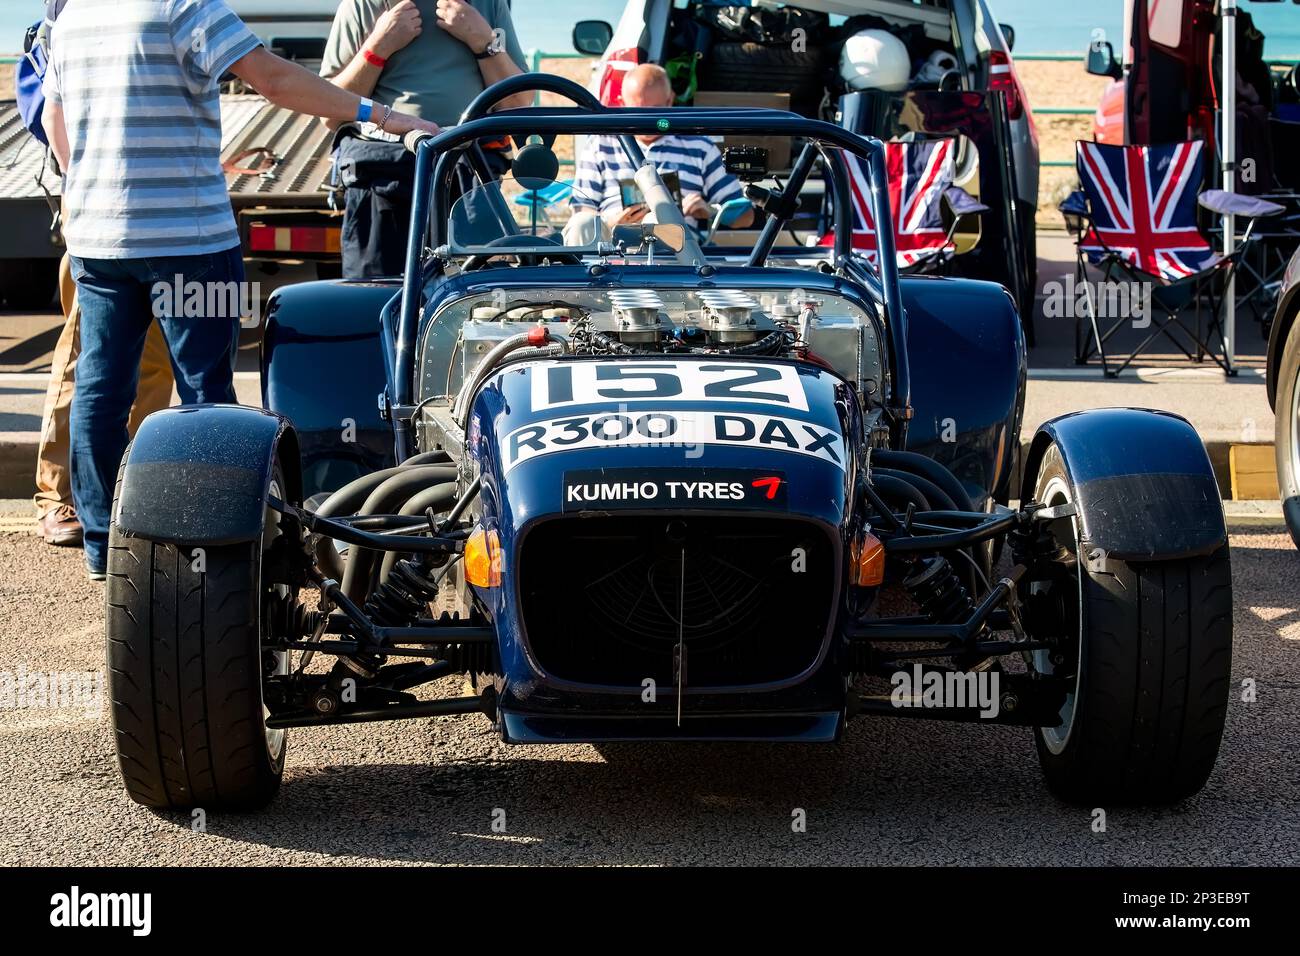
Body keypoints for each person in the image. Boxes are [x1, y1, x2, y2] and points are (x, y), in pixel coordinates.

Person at [42, 0, 438, 581]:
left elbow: (56, 119)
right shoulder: (182, 6)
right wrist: (382, 116)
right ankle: (213, 541)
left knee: (101, 388)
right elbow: (274, 80)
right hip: (189, 243)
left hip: (99, 241)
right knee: (206, 390)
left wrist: (98, 189)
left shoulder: (73, 14)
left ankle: (104, 546)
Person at [321, 1, 530, 278]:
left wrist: (484, 41)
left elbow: (518, 103)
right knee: (374, 302)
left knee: (478, 304)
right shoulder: (362, 5)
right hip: (382, 178)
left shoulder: (487, 5)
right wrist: (378, 48)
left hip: (469, 174)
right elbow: (330, 112)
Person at [34, 253, 173, 547]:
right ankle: (60, 493)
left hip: (169, 226)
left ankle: (130, 489)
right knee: (88, 358)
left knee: (156, 360)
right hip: (103, 230)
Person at [570, 64, 754, 235]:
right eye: (637, 110)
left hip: (678, 255)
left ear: (670, 100)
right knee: (581, 223)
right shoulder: (599, 145)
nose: (646, 119)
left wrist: (710, 210)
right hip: (610, 254)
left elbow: (746, 217)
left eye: (655, 110)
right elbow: (581, 210)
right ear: (621, 103)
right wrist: (611, 224)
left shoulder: (700, 147)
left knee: (657, 220)